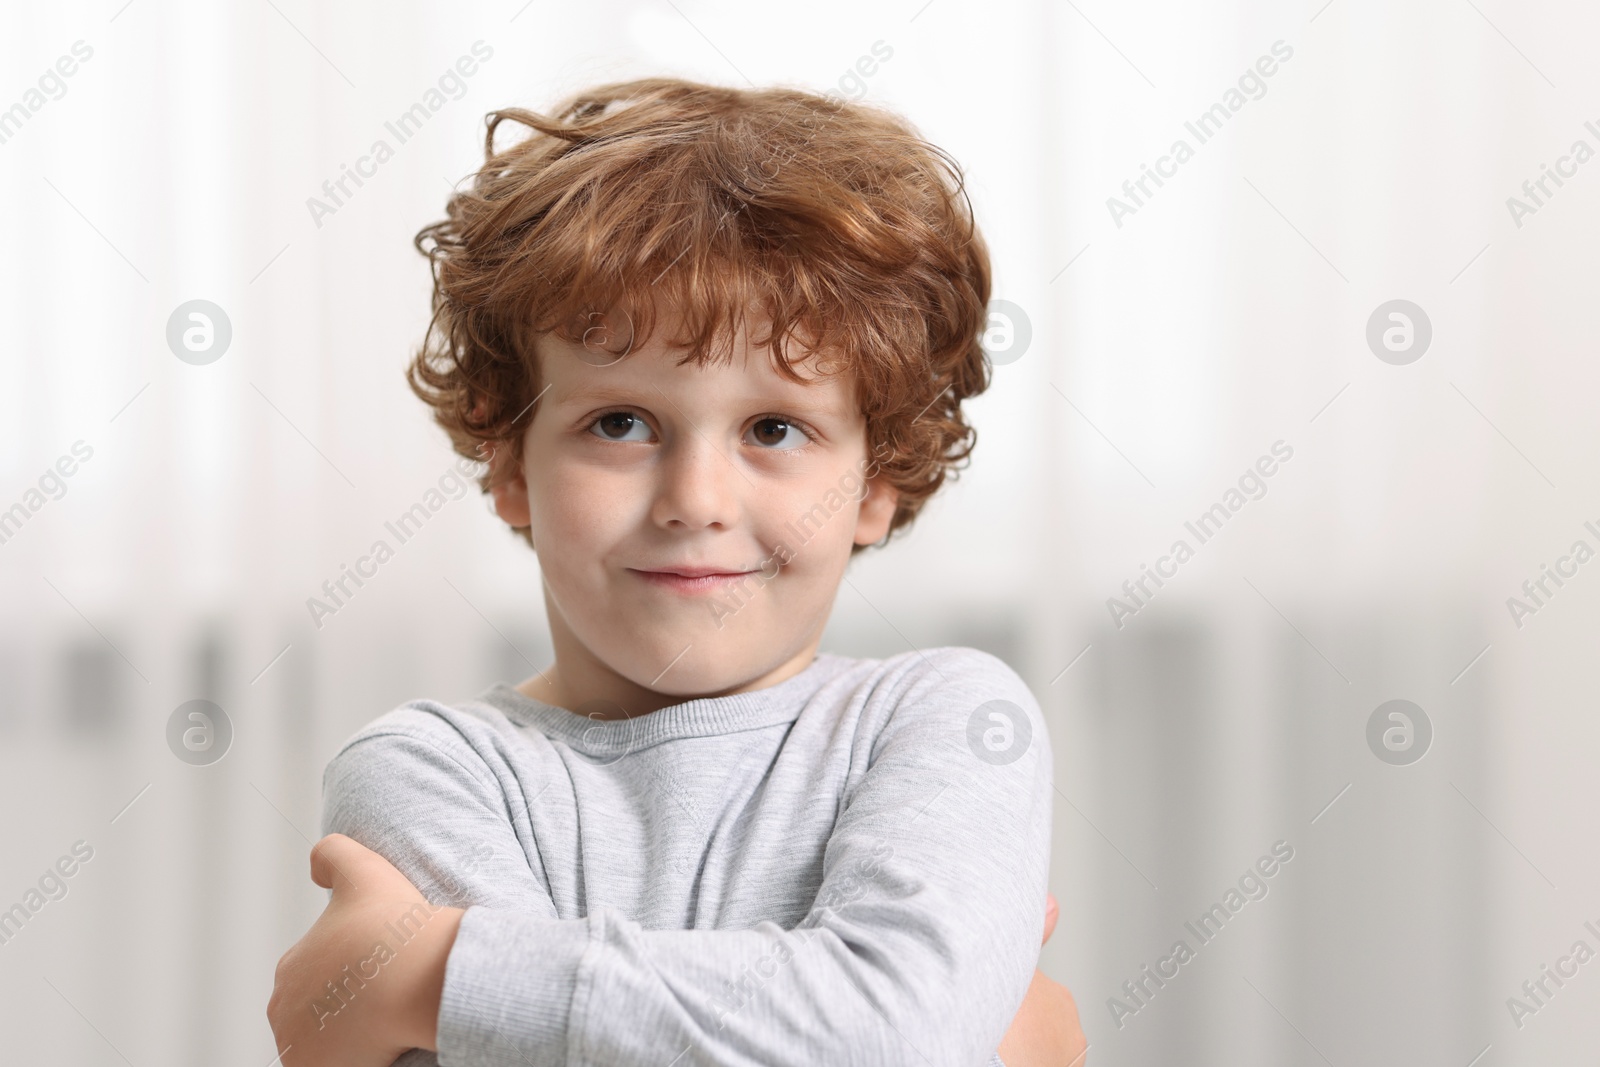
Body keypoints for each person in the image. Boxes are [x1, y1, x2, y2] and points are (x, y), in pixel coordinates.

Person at [267, 77, 1086, 1067]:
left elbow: (890, 1029)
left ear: (880, 477)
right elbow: (891, 1035)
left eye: (774, 428)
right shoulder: (427, 769)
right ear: (508, 459)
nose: (695, 498)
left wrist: (440, 976)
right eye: (619, 422)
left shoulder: (949, 718)